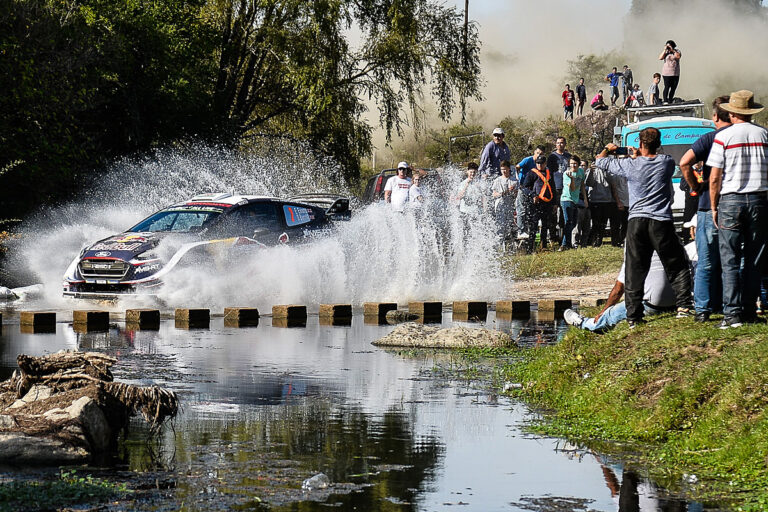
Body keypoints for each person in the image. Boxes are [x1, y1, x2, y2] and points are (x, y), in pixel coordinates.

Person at [596, 128, 694, 327]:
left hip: (637, 221)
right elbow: (657, 158)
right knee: (676, 263)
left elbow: (600, 161)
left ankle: (634, 317)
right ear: (658, 144)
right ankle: (683, 307)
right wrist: (640, 154)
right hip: (661, 220)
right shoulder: (666, 162)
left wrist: (609, 148)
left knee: (634, 269)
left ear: (640, 143)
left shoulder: (629, 165)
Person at [707, 90, 768, 328]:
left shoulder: (724, 137)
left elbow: (714, 177)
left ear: (732, 113)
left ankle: (731, 315)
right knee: (755, 258)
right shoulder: (764, 135)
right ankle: (749, 310)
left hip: (730, 201)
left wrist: (713, 207)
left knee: (729, 258)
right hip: (759, 201)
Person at [679, 95, 730, 322]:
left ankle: (703, 310)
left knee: (706, 261)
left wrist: (696, 185)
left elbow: (684, 162)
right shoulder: (746, 135)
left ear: (715, 115)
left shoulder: (709, 138)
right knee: (732, 260)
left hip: (707, 206)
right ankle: (732, 307)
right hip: (733, 202)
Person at [563, 251, 679, 331]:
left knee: (609, 315)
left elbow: (618, 290)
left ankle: (583, 323)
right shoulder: (673, 246)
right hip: (677, 303)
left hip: (651, 304)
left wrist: (604, 310)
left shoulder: (636, 250)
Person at [521, 155, 556, 252]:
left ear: (545, 163)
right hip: (535, 204)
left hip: (547, 203)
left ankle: (543, 246)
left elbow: (552, 188)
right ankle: (530, 248)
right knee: (533, 226)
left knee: (545, 225)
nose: (540, 165)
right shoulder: (531, 173)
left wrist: (555, 203)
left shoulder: (549, 173)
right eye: (538, 163)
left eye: (542, 163)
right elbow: (524, 187)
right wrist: (533, 195)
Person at [515, 146, 545, 239]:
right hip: (523, 187)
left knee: (530, 211)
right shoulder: (528, 160)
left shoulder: (540, 163)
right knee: (521, 210)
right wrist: (519, 178)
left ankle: (531, 232)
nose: (538, 155)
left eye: (541, 154)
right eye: (537, 153)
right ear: (534, 152)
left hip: (533, 189)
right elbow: (517, 166)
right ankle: (521, 231)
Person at [560, 156, 587, 250]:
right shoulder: (566, 174)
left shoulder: (581, 172)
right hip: (567, 199)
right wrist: (571, 179)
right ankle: (565, 244)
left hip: (576, 200)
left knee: (574, 222)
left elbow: (582, 185)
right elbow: (572, 188)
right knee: (568, 222)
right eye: (571, 163)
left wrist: (585, 199)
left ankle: (567, 243)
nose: (573, 165)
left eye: (575, 163)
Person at [584, 164, 615, 247]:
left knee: (603, 222)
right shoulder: (591, 170)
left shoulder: (608, 169)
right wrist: (591, 171)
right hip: (595, 200)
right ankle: (592, 240)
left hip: (607, 200)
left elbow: (611, 181)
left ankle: (599, 240)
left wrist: (605, 170)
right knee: (595, 222)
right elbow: (588, 183)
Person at [547, 137, 571, 244]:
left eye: (562, 143)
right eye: (558, 143)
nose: (560, 145)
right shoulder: (552, 157)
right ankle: (552, 237)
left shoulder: (568, 157)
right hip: (555, 187)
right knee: (553, 212)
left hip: (566, 187)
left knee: (564, 213)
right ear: (555, 145)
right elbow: (549, 172)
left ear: (565, 144)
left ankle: (562, 236)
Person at [491, 160, 518, 245]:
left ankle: (509, 244)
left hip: (510, 205)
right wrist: (502, 193)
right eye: (502, 169)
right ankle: (499, 243)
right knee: (500, 225)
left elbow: (516, 194)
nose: (504, 171)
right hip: (500, 204)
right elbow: (494, 194)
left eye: (505, 169)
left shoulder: (514, 180)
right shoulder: (497, 180)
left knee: (509, 225)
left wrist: (513, 191)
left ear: (509, 169)